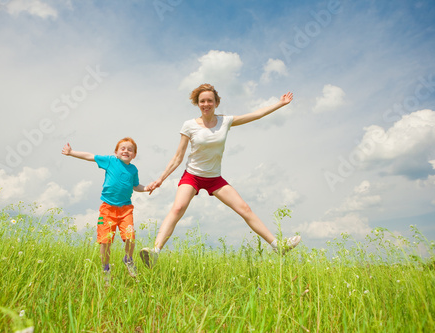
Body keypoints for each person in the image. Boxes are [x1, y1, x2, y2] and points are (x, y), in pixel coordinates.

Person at [140, 84, 301, 268]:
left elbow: (256, 114)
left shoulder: (225, 121)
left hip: (215, 178)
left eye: (210, 100)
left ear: (216, 102)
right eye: (202, 101)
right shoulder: (189, 125)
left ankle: (277, 246)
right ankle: (155, 252)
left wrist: (280, 103)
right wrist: (161, 179)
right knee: (178, 208)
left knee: (245, 209)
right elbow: (178, 157)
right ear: (197, 103)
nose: (206, 104)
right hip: (192, 175)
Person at [62, 138, 149, 284]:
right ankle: (105, 269)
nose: (126, 151)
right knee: (105, 241)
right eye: (122, 148)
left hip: (126, 209)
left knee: (130, 237)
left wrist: (147, 188)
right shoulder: (110, 161)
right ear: (116, 152)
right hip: (107, 209)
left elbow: (136, 186)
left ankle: (128, 259)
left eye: (130, 149)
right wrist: (71, 153)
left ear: (134, 155)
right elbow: (91, 156)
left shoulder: (133, 170)